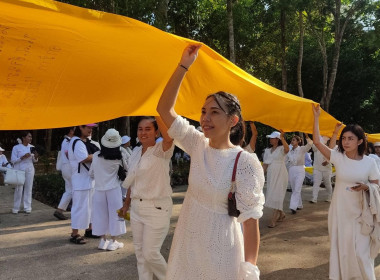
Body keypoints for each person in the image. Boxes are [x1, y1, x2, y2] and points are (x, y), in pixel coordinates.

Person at [157, 44, 265, 279]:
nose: (205, 118)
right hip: (188, 242)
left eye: (214, 112)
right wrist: (183, 66)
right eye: (203, 111)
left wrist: (250, 267)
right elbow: (164, 108)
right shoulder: (197, 144)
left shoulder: (245, 162)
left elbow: (250, 222)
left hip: (221, 249)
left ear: (233, 120)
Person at [312, 104, 380, 279]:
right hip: (340, 213)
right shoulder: (338, 158)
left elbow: (376, 186)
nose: (346, 142)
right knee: (343, 251)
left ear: (359, 141)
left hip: (362, 213)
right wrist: (316, 117)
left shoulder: (370, 162)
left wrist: (367, 187)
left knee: (361, 253)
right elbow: (318, 142)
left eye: (350, 138)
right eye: (344, 138)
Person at [119, 116, 174, 280]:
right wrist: (126, 204)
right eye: (140, 129)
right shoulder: (135, 152)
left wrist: (158, 112)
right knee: (140, 255)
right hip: (137, 208)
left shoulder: (161, 149)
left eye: (148, 129)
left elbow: (169, 137)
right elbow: (132, 180)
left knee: (150, 253)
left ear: (157, 131)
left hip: (157, 208)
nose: (143, 133)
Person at [90, 129, 127, 251]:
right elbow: (127, 169)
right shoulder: (119, 157)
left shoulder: (95, 156)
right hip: (114, 190)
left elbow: (91, 174)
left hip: (99, 190)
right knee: (116, 215)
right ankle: (114, 241)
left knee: (100, 215)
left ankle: (102, 240)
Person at [68, 124, 99, 244]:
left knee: (90, 206)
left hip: (88, 179)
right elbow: (84, 158)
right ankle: (74, 233)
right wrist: (99, 155)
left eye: (92, 128)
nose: (91, 130)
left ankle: (90, 229)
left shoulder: (83, 142)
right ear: (80, 127)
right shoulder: (77, 142)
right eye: (88, 128)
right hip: (81, 180)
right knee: (79, 207)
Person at [262, 130, 289, 228]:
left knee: (278, 194)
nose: (270, 139)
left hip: (281, 173)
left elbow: (287, 150)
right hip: (271, 175)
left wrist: (283, 138)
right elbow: (265, 164)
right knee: (272, 194)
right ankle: (281, 214)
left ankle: (273, 220)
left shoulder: (282, 148)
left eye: (272, 138)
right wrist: (260, 175)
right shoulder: (267, 151)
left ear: (277, 139)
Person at [310, 129, 341, 204]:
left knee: (327, 183)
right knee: (316, 183)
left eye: (325, 138)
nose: (324, 139)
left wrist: (327, 161)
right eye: (323, 137)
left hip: (327, 169)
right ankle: (314, 198)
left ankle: (329, 197)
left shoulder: (330, 147)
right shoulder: (316, 146)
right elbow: (313, 146)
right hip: (317, 168)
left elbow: (333, 156)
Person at [11, 131, 38, 214]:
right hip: (19, 169)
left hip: (30, 168)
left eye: (31, 137)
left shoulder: (32, 147)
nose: (30, 138)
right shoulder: (16, 147)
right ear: (23, 138)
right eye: (28, 136)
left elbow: (35, 160)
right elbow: (13, 160)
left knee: (28, 188)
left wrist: (36, 156)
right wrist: (22, 157)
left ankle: (27, 207)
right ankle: (16, 207)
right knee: (19, 188)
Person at [287, 134, 312, 214]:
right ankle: (299, 205)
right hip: (291, 169)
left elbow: (310, 144)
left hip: (300, 169)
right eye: (292, 140)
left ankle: (293, 207)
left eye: (294, 140)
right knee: (295, 189)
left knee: (297, 188)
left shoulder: (302, 149)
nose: (292, 141)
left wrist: (307, 136)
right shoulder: (289, 150)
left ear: (298, 141)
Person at [54, 127, 75, 220]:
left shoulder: (66, 141)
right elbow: (68, 154)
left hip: (66, 167)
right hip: (69, 167)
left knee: (69, 190)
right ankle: (76, 210)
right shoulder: (68, 141)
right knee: (75, 189)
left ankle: (59, 210)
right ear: (70, 131)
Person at [120, 135, 132, 199]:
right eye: (128, 141)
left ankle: (126, 195)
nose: (129, 142)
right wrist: (127, 169)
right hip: (126, 170)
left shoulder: (128, 149)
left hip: (130, 169)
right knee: (124, 183)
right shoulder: (122, 151)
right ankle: (123, 196)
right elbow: (124, 162)